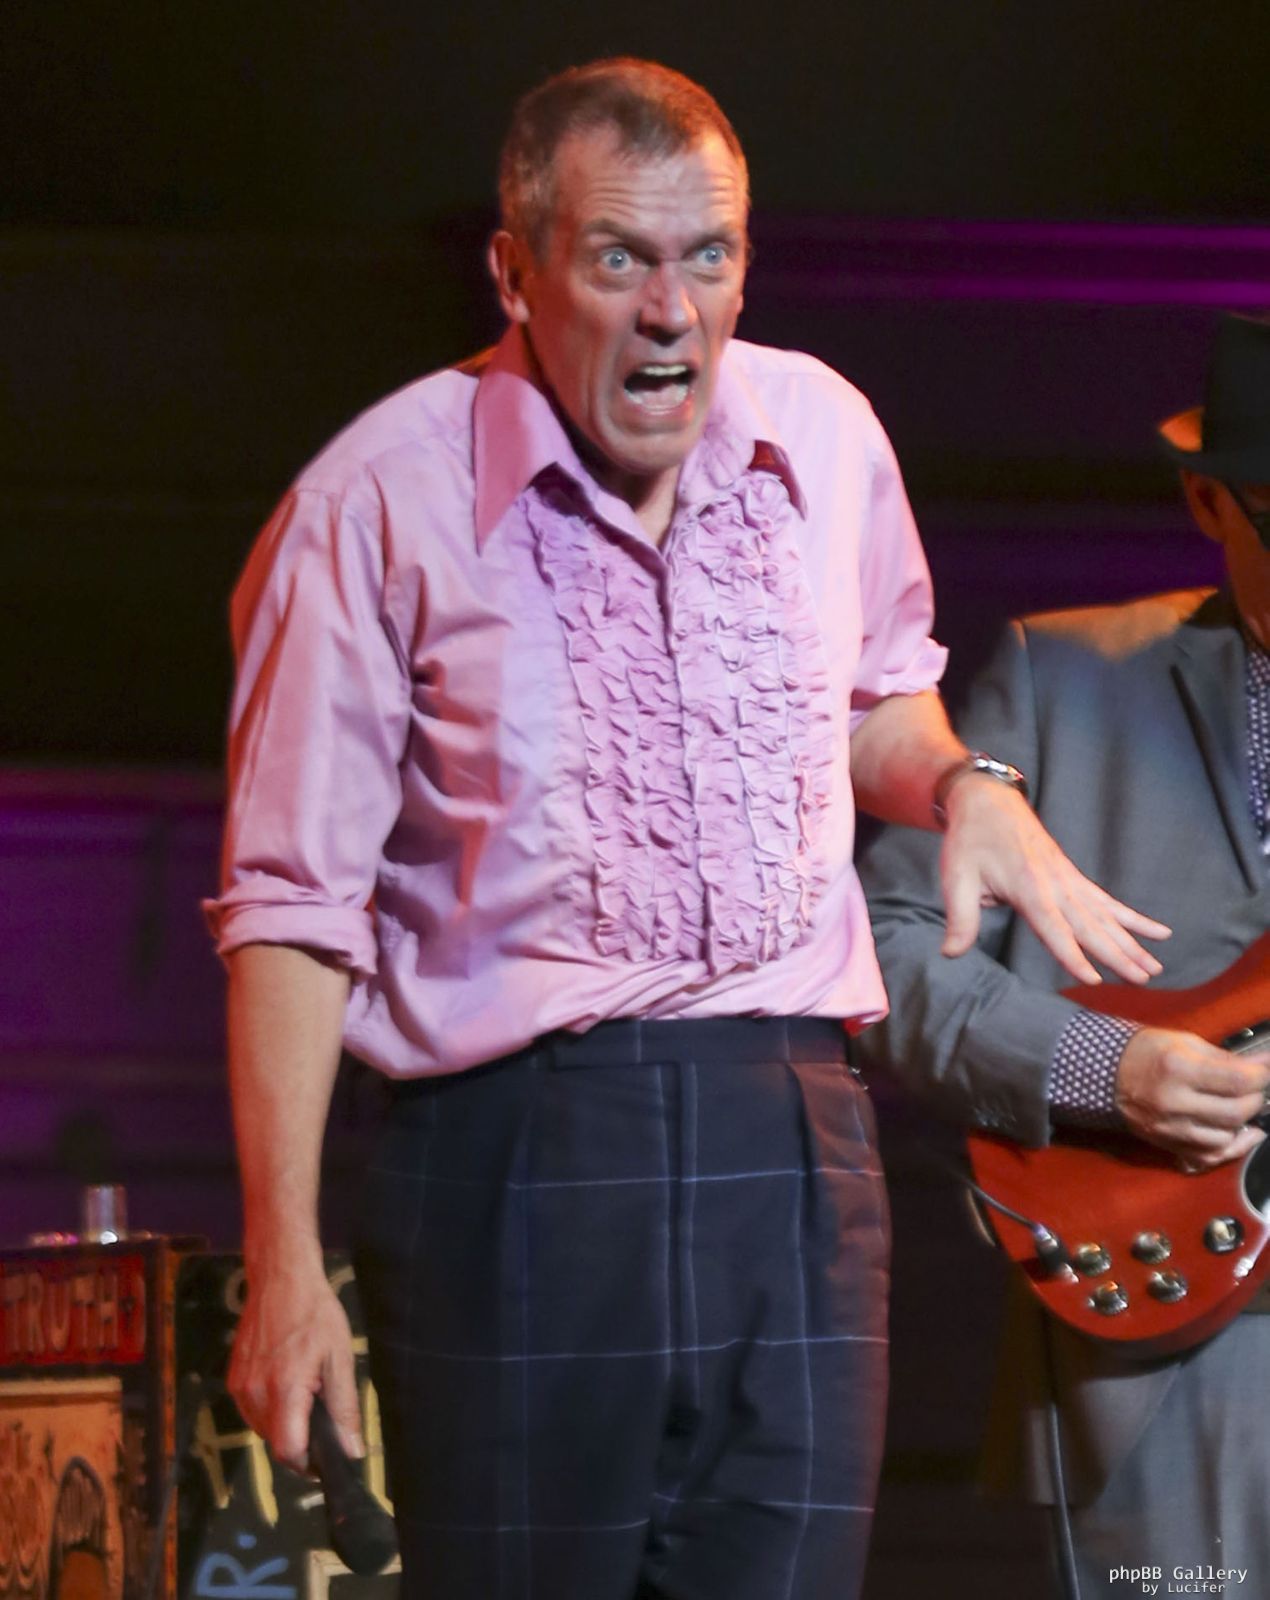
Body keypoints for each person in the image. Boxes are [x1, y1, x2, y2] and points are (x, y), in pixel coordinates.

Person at [205, 57, 1165, 1600]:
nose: (672, 312)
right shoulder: (375, 501)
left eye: (708, 256)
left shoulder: (822, 435)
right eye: (620, 260)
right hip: (519, 1155)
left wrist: (961, 786)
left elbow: (871, 699)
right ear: (514, 272)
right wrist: (282, 1267)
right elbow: (288, 909)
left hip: (792, 1138)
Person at [858, 310, 1270, 1598]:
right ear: (1207, 502)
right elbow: (889, 952)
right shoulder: (1067, 675)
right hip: (1176, 1351)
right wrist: (1108, 1068)